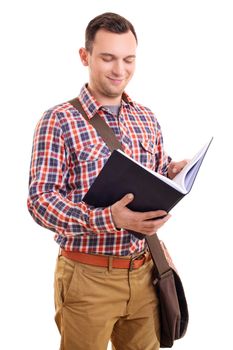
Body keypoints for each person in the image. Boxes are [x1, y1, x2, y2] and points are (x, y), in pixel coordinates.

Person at [27, 12, 187, 350]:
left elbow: (153, 170)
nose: (120, 70)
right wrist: (108, 218)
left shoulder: (146, 118)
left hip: (146, 272)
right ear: (85, 57)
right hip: (88, 279)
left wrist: (172, 172)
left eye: (129, 59)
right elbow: (40, 201)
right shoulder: (58, 120)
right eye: (108, 58)